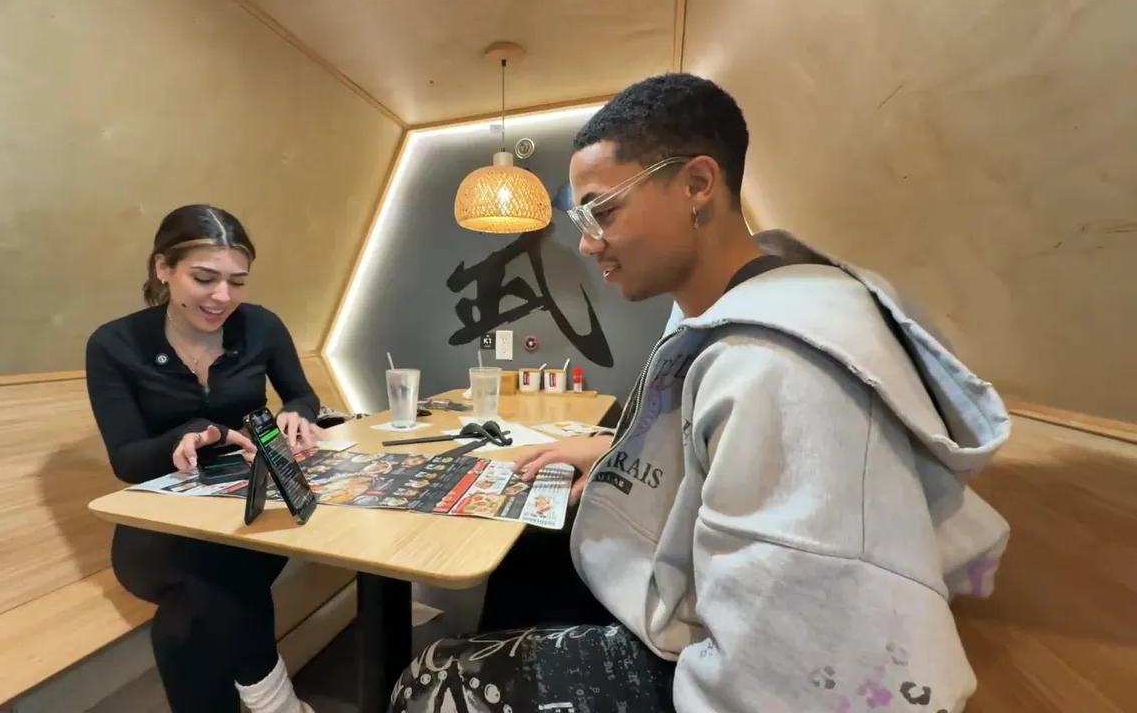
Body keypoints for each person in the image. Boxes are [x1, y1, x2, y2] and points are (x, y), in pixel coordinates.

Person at [392, 73, 1012, 712]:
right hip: (687, 592)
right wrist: (611, 450)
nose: (587, 242)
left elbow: (777, 660)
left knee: (430, 679)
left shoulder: (779, 369)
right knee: (533, 541)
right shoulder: (732, 308)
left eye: (603, 211)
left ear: (696, 184)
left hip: (723, 672)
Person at [85, 204, 323, 713]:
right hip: (160, 528)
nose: (223, 297)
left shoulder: (261, 327)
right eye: (204, 278)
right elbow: (126, 461)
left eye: (237, 282)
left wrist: (297, 414)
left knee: (185, 619)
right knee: (216, 581)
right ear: (163, 268)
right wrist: (188, 434)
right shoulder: (114, 344)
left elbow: (302, 396)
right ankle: (280, 706)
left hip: (251, 505)